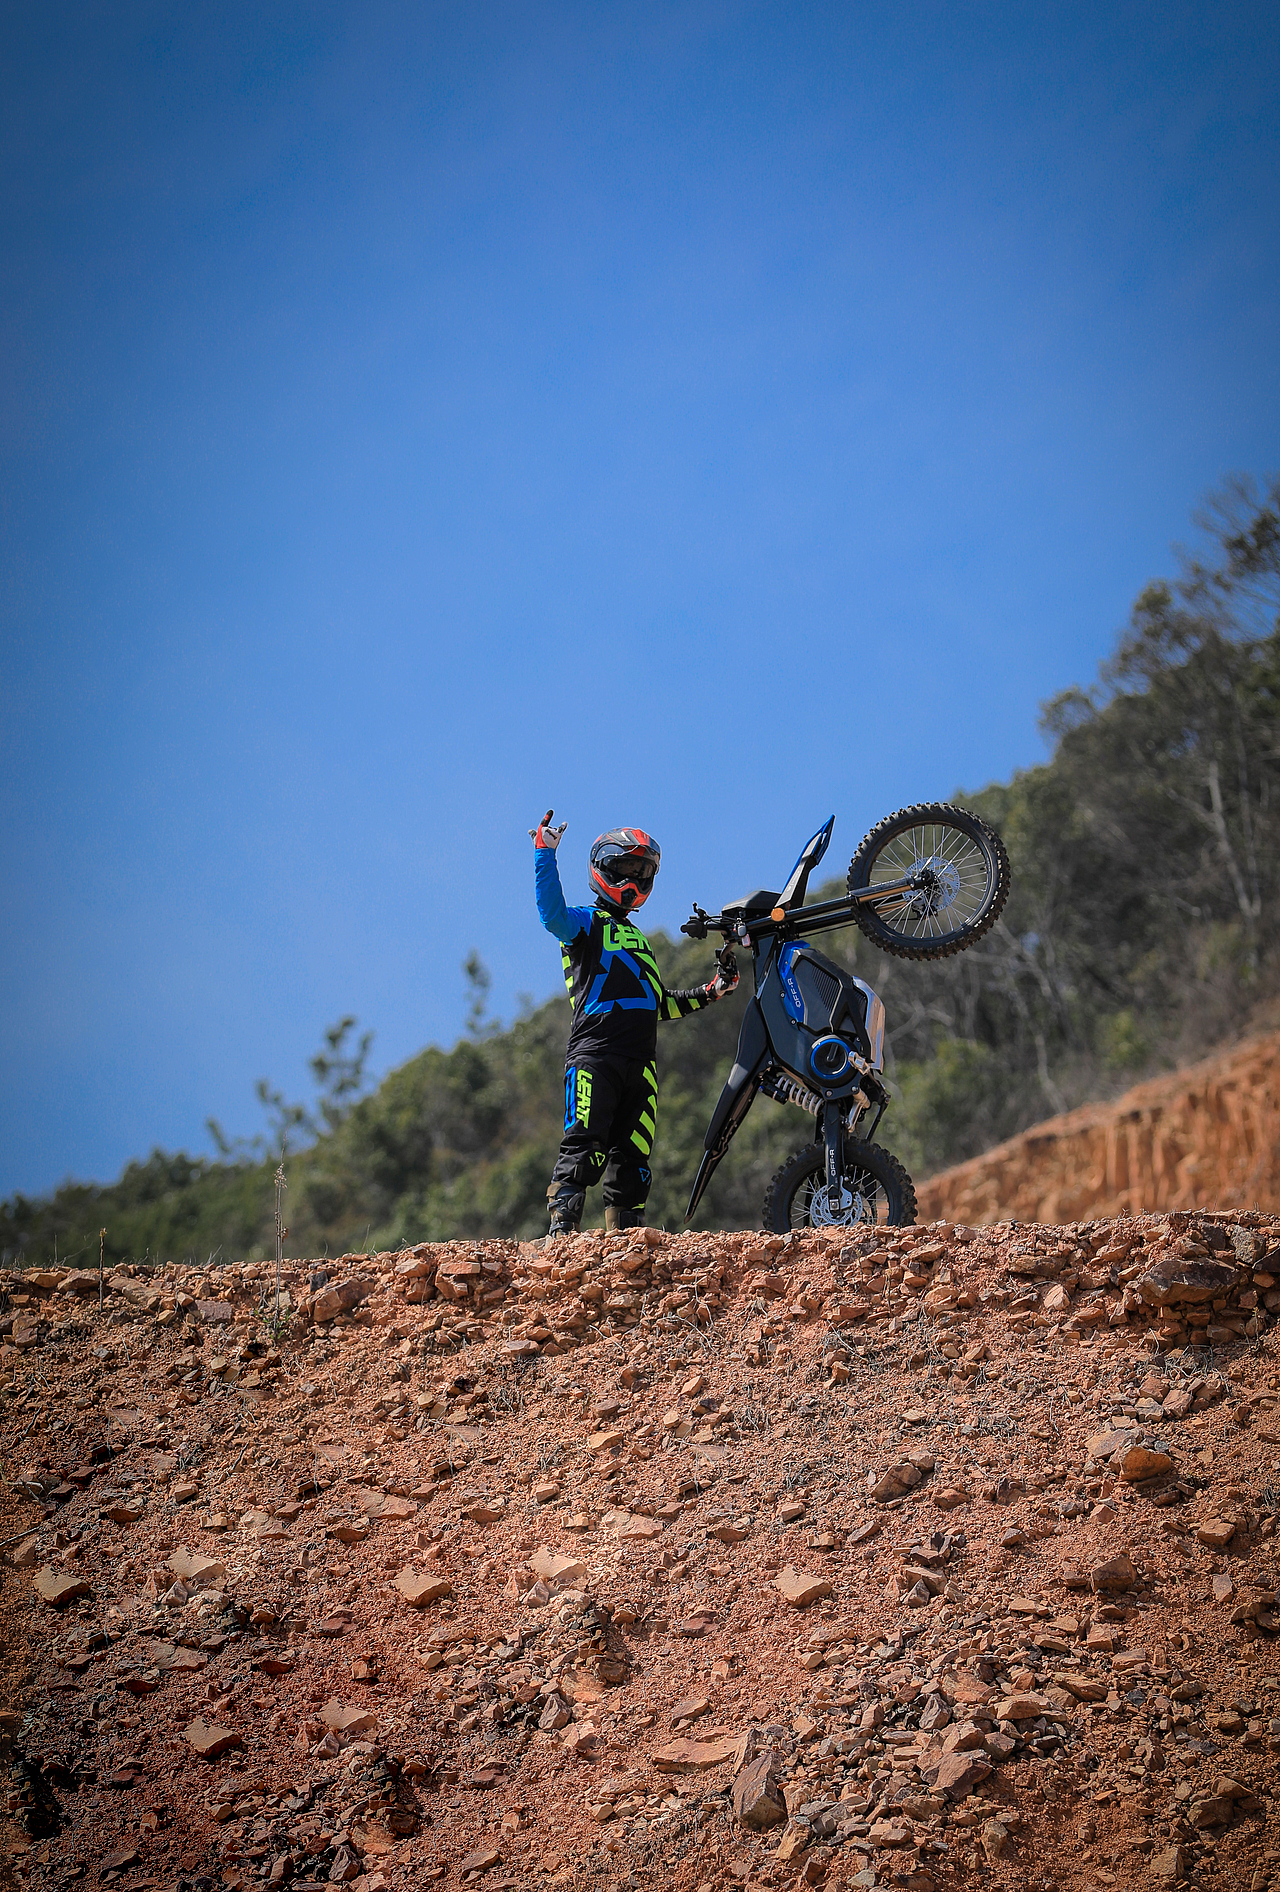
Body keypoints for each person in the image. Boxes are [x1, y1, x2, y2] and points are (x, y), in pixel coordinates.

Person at [530, 810, 738, 1238]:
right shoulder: (585, 922)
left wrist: (711, 990)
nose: (633, 880)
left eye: (641, 873)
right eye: (625, 869)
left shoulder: (642, 940)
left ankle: (627, 1248)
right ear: (602, 869)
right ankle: (561, 1236)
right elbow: (552, 917)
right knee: (584, 1145)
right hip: (595, 1053)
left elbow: (658, 1004)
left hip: (642, 1062)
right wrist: (544, 855)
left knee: (634, 1159)